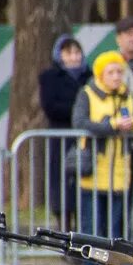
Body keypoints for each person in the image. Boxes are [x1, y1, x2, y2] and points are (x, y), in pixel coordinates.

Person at [72, 51, 133, 265]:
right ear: (101, 74)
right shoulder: (88, 93)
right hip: (93, 173)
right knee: (92, 229)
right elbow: (80, 123)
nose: (116, 76)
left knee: (112, 231)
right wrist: (111, 126)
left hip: (119, 173)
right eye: (111, 72)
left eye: (119, 71)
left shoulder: (126, 95)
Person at [38, 35, 91, 228]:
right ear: (60, 55)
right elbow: (51, 107)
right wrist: (79, 111)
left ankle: (81, 229)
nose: (74, 57)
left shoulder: (89, 77)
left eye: (77, 52)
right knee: (62, 181)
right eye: (69, 52)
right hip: (61, 136)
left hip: (85, 136)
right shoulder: (50, 77)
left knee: (82, 180)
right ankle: (63, 223)